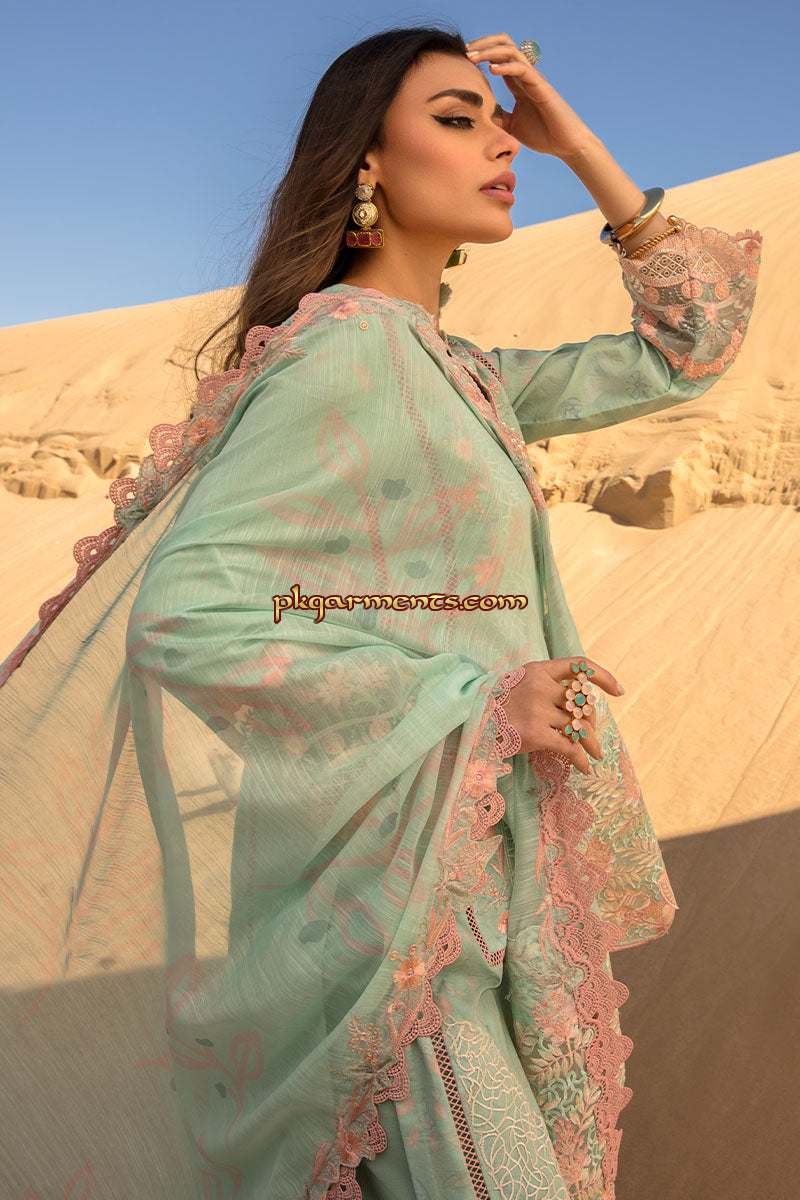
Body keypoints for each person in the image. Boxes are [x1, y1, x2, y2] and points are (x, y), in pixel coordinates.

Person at [0, 24, 762, 1200]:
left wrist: (573, 146)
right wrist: (477, 702)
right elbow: (187, 621)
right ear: (365, 162)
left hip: (460, 894)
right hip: (383, 933)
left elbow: (684, 348)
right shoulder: (340, 356)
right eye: (456, 119)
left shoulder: (460, 372)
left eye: (498, 123)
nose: (498, 145)